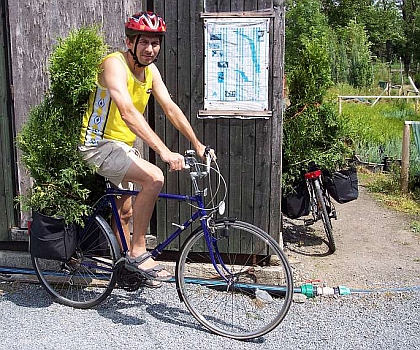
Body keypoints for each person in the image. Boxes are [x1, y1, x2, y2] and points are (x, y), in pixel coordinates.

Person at [79, 11, 210, 287]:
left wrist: (197, 144)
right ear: (130, 43)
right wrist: (163, 151)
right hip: (97, 145)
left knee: (125, 213)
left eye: (155, 43)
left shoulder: (150, 72)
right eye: (144, 43)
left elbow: (170, 108)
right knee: (155, 177)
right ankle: (138, 251)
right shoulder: (113, 65)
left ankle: (125, 268)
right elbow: (126, 111)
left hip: (121, 147)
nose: (150, 49)